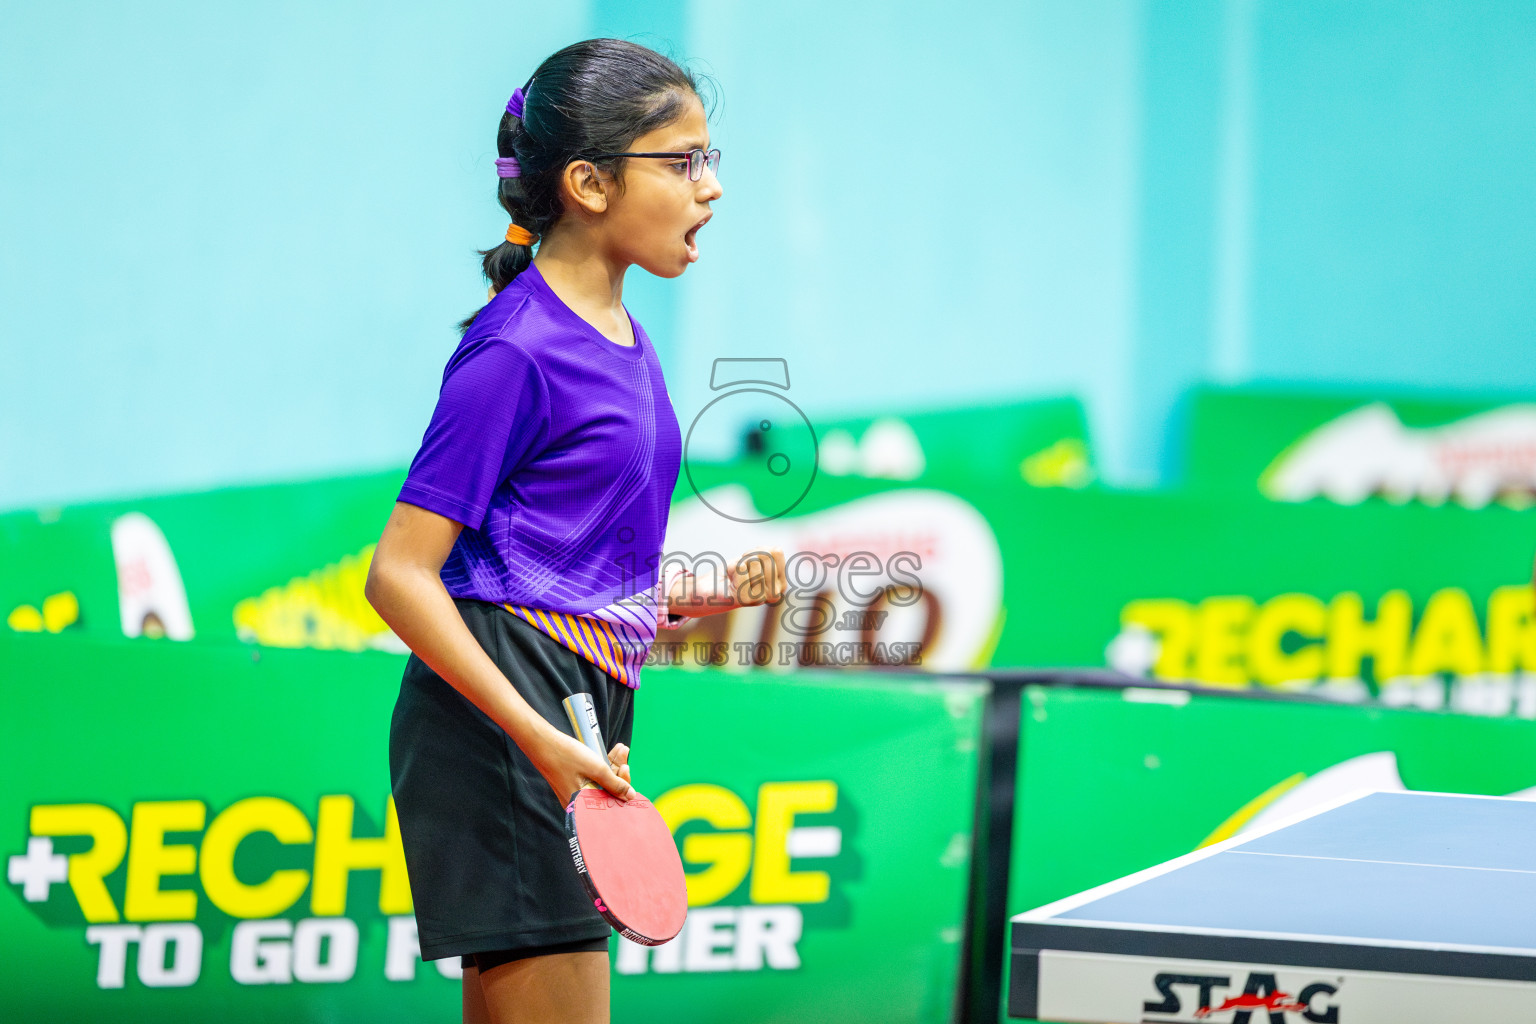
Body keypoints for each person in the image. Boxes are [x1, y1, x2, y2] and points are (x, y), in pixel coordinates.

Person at [364, 38, 787, 1024]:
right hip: (507, 714)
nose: (711, 188)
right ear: (589, 182)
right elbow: (400, 576)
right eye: (682, 162)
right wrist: (542, 737)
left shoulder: (626, 340)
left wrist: (698, 595)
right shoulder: (515, 347)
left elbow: (552, 562)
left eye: (710, 160)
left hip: (571, 701)